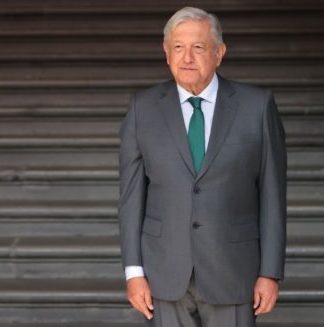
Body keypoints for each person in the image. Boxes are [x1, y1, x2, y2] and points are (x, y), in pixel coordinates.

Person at [118, 7, 286, 327]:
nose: (187, 58)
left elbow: (273, 195)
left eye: (198, 47)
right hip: (163, 275)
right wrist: (134, 272)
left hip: (234, 271)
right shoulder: (142, 109)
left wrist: (269, 272)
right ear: (166, 53)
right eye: (178, 47)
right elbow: (130, 199)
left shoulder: (257, 106)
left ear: (219, 53)